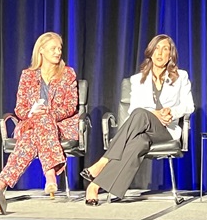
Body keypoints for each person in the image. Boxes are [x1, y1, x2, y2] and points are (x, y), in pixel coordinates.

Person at [81, 34, 195, 206]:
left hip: (165, 131)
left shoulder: (181, 77)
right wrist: (155, 113)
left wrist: (171, 111)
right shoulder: (137, 79)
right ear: (150, 52)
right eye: (157, 48)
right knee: (139, 142)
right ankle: (95, 187)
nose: (160, 53)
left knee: (141, 114)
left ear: (170, 54)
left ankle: (103, 161)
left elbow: (189, 106)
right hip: (143, 130)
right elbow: (134, 109)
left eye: (165, 49)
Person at [0, 32, 79, 195]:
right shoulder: (28, 75)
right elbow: (20, 108)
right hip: (32, 124)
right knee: (34, 129)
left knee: (36, 129)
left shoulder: (68, 74)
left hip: (61, 126)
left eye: (59, 48)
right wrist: (32, 112)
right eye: (53, 48)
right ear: (41, 51)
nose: (58, 52)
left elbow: (71, 106)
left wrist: (49, 113)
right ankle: (51, 175)